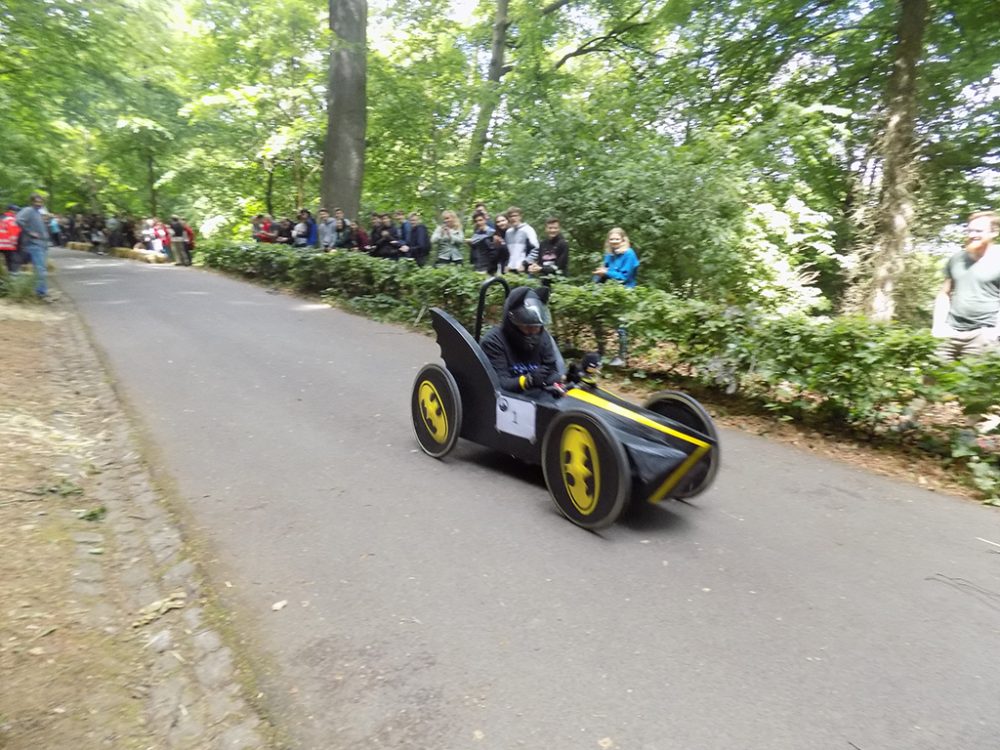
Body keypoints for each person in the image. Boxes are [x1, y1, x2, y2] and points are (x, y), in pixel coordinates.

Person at [933, 210, 1000, 361]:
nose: (972, 235)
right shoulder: (957, 259)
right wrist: (938, 326)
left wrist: (996, 331)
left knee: (974, 382)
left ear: (994, 232)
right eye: (969, 230)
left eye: (978, 231)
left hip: (984, 334)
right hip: (950, 332)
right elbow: (944, 293)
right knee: (932, 379)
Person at [480, 286, 564, 393]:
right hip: (509, 402)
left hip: (541, 398)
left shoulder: (544, 337)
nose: (533, 332)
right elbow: (499, 384)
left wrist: (563, 379)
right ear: (512, 324)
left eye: (537, 327)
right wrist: (528, 381)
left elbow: (552, 371)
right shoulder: (493, 342)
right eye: (528, 327)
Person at [593, 227, 640, 366]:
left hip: (625, 292)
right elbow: (605, 271)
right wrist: (597, 278)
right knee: (599, 320)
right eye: (611, 239)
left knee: (622, 325)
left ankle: (622, 357)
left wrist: (606, 273)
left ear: (623, 239)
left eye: (617, 239)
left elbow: (624, 277)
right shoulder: (609, 254)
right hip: (609, 292)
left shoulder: (629, 254)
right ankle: (601, 353)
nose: (614, 242)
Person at [15, 194, 51, 299]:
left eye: (40, 202)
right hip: (35, 244)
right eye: (36, 202)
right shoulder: (28, 210)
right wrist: (30, 232)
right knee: (40, 269)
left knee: (42, 269)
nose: (38, 204)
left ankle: (41, 291)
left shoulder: (38, 213)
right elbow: (18, 220)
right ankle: (41, 293)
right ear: (32, 202)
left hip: (42, 244)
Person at [503, 206, 538, 274]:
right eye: (510, 216)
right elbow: (508, 252)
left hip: (524, 269)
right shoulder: (508, 232)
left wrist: (525, 263)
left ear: (520, 216)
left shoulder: (528, 230)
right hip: (511, 269)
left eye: (515, 216)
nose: (513, 218)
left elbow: (536, 249)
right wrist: (506, 264)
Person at [0, 204, 22, 274]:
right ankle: (13, 276)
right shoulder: (11, 219)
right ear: (12, 211)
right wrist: (15, 244)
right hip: (8, 245)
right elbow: (14, 233)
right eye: (16, 211)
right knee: (11, 262)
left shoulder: (1, 217)